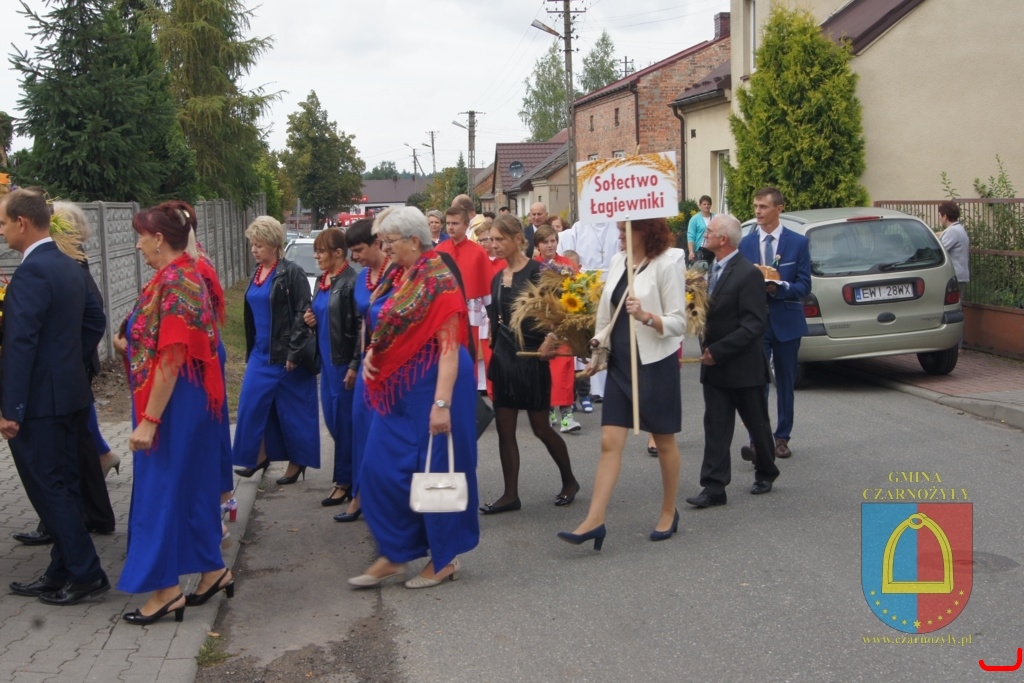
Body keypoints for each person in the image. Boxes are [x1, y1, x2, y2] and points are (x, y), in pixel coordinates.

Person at [110, 200, 233, 624]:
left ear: (159, 238)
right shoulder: (176, 276)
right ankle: (213, 570)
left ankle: (165, 591)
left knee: (158, 494)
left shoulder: (178, 281)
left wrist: (150, 421)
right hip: (180, 400)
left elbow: (173, 355)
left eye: (142, 237)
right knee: (189, 488)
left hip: (173, 405)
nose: (138, 245)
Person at [347, 206, 479, 589]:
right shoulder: (397, 273)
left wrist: (442, 405)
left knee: (437, 475)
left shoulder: (439, 281)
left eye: (389, 241)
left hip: (436, 384)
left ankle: (444, 558)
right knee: (379, 469)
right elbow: (386, 323)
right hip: (401, 388)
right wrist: (374, 352)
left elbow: (450, 349)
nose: (384, 248)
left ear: (414, 241)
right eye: (382, 241)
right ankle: (396, 551)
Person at [1, 188, 110, 606]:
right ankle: (60, 570)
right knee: (64, 484)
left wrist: (11, 408)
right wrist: (67, 362)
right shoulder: (68, 263)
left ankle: (86, 573)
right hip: (70, 395)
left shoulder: (32, 272)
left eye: (3, 223)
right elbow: (95, 318)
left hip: (39, 406)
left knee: (50, 490)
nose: (2, 231)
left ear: (22, 223)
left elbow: (21, 344)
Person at [558, 218, 686, 550]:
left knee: (664, 442)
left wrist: (647, 317)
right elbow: (607, 316)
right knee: (609, 441)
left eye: (625, 229)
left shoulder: (666, 264)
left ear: (646, 231)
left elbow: (679, 322)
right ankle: (594, 520)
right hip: (620, 364)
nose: (618, 235)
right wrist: (597, 345)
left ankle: (669, 511)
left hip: (654, 364)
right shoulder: (618, 262)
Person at [481, 214, 580, 514]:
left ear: (517, 239)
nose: (494, 245)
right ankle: (510, 495)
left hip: (532, 358)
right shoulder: (497, 278)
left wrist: (552, 338)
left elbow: (563, 313)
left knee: (540, 428)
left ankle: (570, 480)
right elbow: (496, 321)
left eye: (499, 239)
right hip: (504, 359)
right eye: (491, 240)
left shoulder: (539, 272)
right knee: (505, 429)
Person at [686, 214, 780, 508]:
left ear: (723, 239)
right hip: (714, 367)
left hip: (742, 367)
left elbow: (754, 325)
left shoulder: (748, 273)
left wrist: (719, 350)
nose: (705, 234)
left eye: (710, 231)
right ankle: (714, 486)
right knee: (716, 426)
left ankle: (766, 470)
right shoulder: (709, 270)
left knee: (757, 424)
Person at [232, 216, 320, 484]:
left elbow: (302, 313)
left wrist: (294, 352)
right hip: (260, 354)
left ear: (274, 245)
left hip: (286, 356)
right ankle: (259, 456)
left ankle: (297, 463)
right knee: (250, 407)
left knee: (294, 413)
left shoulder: (291, 272)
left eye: (259, 245)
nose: (254, 249)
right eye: (252, 244)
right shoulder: (256, 273)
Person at [738, 187, 810, 460]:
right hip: (755, 323)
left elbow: (804, 285)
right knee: (757, 383)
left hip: (786, 321)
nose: (758, 211)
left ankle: (782, 437)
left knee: (786, 383)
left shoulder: (798, 243)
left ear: (779, 209)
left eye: (763, 207)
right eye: (755, 206)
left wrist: (779, 288)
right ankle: (757, 439)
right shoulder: (745, 244)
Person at [334, 218, 399, 523]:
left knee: (383, 433)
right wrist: (357, 362)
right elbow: (363, 322)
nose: (354, 256)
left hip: (393, 364)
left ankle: (383, 498)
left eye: (359, 249)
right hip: (367, 364)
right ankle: (360, 495)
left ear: (377, 243)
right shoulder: (362, 279)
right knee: (361, 428)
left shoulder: (397, 275)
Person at [300, 228, 361, 507]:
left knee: (344, 424)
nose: (316, 256)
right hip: (326, 362)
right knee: (334, 424)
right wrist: (311, 320)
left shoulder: (351, 282)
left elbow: (360, 327)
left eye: (320, 251)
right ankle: (352, 476)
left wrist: (354, 363)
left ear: (338, 253)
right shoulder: (323, 280)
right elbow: (322, 316)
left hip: (342, 364)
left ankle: (345, 482)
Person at [557, 219, 621, 410]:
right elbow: (567, 256)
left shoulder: (616, 224)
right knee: (591, 335)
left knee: (610, 333)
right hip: (586, 285)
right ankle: (589, 388)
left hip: (612, 281)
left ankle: (609, 386)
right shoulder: (580, 227)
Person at [436, 206, 493, 389]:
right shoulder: (439, 250)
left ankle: (469, 394)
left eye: (455, 223)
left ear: (466, 225)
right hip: (444, 312)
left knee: (469, 355)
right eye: (448, 223)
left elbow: (487, 287)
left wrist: (492, 317)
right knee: (444, 353)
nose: (450, 227)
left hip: (470, 311)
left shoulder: (478, 251)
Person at [533, 225, 580, 434]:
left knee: (565, 369)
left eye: (553, 241)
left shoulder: (568, 265)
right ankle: (549, 409)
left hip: (564, 323)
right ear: (538, 245)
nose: (550, 245)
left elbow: (579, 290)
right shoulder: (533, 266)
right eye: (545, 242)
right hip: (540, 324)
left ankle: (567, 415)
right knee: (545, 369)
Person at [938, 200, 969, 348]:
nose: (940, 218)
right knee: (957, 308)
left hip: (954, 277)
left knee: (953, 310)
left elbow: (940, 250)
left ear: (945, 216)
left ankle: (956, 345)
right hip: (961, 275)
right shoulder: (959, 229)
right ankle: (957, 345)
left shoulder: (952, 232)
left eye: (940, 215)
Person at [687, 195, 715, 265]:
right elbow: (691, 235)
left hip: (713, 248)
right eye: (704, 204)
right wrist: (691, 252)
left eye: (708, 204)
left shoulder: (715, 217)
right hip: (701, 249)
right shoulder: (694, 219)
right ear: (700, 205)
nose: (706, 206)